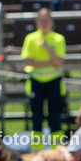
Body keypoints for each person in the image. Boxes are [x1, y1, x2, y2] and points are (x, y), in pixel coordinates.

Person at [21, 8, 66, 148]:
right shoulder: (30, 38)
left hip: (54, 82)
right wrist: (50, 63)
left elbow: (59, 62)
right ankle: (37, 150)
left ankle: (57, 150)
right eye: (41, 20)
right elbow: (28, 62)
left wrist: (49, 49)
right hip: (36, 82)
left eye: (47, 20)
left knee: (55, 116)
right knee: (37, 117)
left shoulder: (58, 39)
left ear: (52, 21)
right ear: (37, 22)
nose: (44, 23)